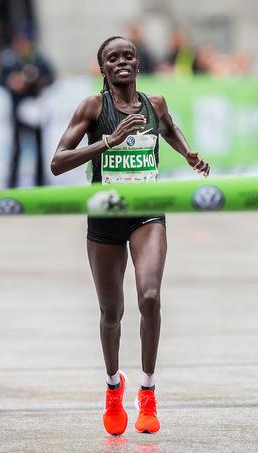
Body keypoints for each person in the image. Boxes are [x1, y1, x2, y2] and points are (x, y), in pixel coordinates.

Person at [50, 36, 209, 436]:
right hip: (105, 217)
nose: (121, 62)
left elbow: (170, 129)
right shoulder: (92, 107)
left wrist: (188, 153)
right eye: (112, 58)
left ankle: (149, 392)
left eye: (128, 56)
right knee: (111, 313)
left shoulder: (155, 104)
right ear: (102, 68)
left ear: (138, 64)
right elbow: (57, 162)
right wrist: (109, 141)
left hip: (147, 213)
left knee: (150, 297)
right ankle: (112, 388)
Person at [0, 27, 54, 187]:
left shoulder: (38, 59)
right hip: (17, 108)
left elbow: (49, 77)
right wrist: (11, 82)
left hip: (35, 109)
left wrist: (37, 82)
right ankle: (12, 183)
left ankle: (40, 182)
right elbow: (0, 79)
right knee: (16, 148)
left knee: (39, 147)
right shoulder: (9, 58)